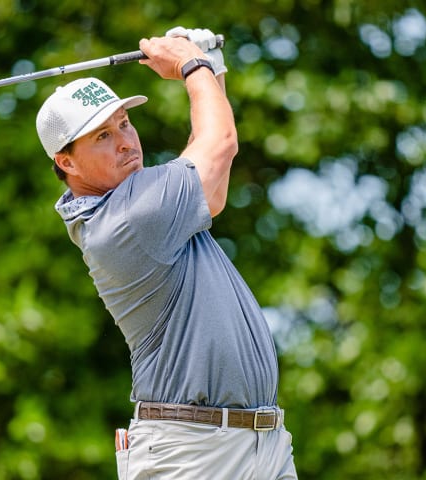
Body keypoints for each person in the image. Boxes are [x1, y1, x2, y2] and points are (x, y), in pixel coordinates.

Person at [35, 27, 298, 479]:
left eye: (124, 123)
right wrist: (192, 65)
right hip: (191, 453)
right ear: (66, 162)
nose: (125, 141)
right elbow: (220, 145)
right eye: (101, 136)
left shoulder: (145, 203)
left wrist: (210, 66)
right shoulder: (128, 219)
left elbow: (212, 190)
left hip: (261, 444)